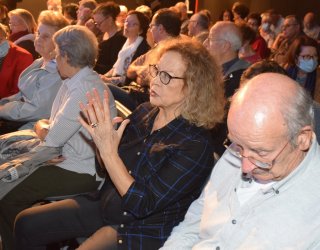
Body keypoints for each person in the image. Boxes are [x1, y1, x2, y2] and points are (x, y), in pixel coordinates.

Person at [14, 38, 225, 250]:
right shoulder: (145, 112)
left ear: (193, 87)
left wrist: (109, 153)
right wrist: (101, 143)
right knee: (26, 223)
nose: (155, 81)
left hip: (140, 228)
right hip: (108, 203)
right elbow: (105, 167)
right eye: (156, 70)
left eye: (167, 76)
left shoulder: (195, 145)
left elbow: (142, 205)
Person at [160, 72, 320, 249]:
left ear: (302, 138)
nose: (245, 166)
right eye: (237, 145)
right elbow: (195, 222)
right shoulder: (245, 145)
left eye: (261, 153)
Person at [0, 25, 117, 250]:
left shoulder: (83, 88)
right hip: (64, 159)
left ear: (66, 55)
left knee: (6, 194)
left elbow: (52, 139)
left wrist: (44, 131)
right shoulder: (77, 80)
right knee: (8, 166)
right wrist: (44, 130)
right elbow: (49, 129)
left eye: (56, 53)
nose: (54, 57)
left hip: (80, 170)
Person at [241, 60, 320, 183]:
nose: (247, 103)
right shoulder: (268, 115)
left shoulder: (317, 121)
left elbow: (306, 177)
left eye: (254, 96)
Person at [0, 10, 68, 134]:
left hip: (33, 129)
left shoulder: (59, 71)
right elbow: (20, 95)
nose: (38, 39)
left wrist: (2, 110)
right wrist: (3, 105)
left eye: (46, 36)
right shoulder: (40, 61)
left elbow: (37, 110)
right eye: (38, 33)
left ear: (60, 42)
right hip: (18, 120)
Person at [110, 8, 182, 111]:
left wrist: (141, 74)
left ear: (160, 29)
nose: (149, 30)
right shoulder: (155, 48)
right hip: (137, 92)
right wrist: (139, 70)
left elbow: (151, 80)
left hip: (147, 102)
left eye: (151, 26)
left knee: (106, 89)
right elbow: (130, 71)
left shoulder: (172, 52)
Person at [204, 21, 250, 156]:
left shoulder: (242, 79)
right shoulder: (211, 70)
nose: (205, 43)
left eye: (210, 39)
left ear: (225, 46)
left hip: (222, 151)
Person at [102, 10, 150, 86]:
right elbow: (115, 68)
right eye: (126, 21)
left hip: (128, 88)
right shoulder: (127, 43)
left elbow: (128, 78)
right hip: (115, 82)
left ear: (140, 30)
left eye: (133, 24)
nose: (127, 25)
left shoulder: (142, 48)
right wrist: (103, 76)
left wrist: (107, 80)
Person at [284, 35, 320, 101]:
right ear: (296, 58)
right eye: (307, 56)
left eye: (315, 56)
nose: (312, 60)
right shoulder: (284, 71)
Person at [0, 23, 32, 100]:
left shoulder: (22, 56)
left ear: (5, 37)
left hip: (6, 106)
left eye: (0, 39)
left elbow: (18, 92)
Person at [92, 1, 126, 75]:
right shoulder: (101, 35)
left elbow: (114, 66)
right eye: (96, 23)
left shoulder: (120, 38)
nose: (97, 26)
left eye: (99, 23)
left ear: (110, 19)